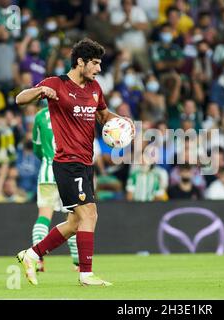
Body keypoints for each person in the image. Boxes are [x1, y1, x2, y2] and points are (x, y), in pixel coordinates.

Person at [15, 39, 135, 287]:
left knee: (74, 222)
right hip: (67, 162)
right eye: (95, 63)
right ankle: (85, 274)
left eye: (100, 64)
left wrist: (121, 122)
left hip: (85, 163)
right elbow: (20, 99)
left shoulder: (95, 88)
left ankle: (32, 254)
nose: (98, 69)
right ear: (80, 62)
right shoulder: (56, 83)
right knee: (90, 214)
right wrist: (39, 91)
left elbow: (103, 116)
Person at [30, 107, 79, 272]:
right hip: (68, 171)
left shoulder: (40, 116)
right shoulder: (71, 111)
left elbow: (36, 148)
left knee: (44, 217)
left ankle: (37, 260)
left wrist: (46, 159)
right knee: (73, 218)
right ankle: (78, 263)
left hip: (47, 172)